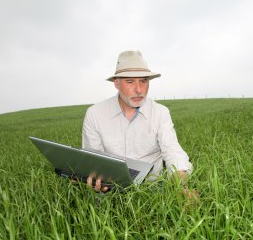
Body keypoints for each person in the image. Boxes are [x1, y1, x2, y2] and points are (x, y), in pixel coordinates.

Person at [82, 51, 196, 198]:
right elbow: (93, 161)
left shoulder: (160, 112)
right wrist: (93, 178)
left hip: (153, 191)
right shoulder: (95, 114)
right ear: (116, 83)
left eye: (143, 81)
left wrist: (181, 186)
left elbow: (173, 153)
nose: (139, 90)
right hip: (110, 192)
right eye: (130, 82)